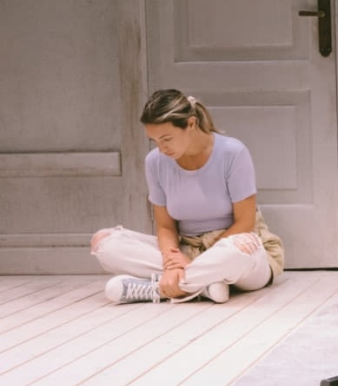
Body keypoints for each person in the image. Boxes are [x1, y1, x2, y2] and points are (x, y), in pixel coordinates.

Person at [90, 90, 284, 304]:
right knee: (103, 242)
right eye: (155, 141)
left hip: (234, 246)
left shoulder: (233, 153)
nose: (161, 149)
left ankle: (159, 289)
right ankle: (204, 285)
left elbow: (245, 223)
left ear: (191, 124)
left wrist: (204, 258)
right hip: (187, 249)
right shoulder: (154, 162)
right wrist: (173, 263)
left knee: (239, 250)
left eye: (166, 139)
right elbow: (166, 227)